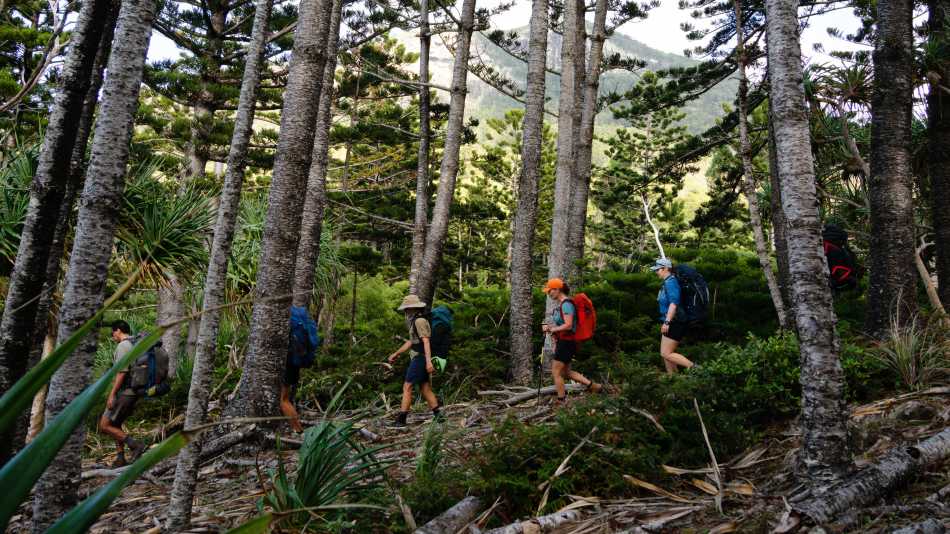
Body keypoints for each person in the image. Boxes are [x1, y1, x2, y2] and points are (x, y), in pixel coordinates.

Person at [540, 278, 601, 405]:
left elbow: (568, 325)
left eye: (550, 291)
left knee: (555, 372)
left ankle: (561, 400)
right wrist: (550, 327)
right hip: (567, 342)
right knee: (566, 372)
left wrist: (552, 329)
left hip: (566, 343)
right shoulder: (563, 304)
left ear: (557, 289)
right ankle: (594, 386)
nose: (549, 293)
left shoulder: (566, 304)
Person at [387, 294, 442, 427]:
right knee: (425, 388)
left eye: (407, 308)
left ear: (414, 308)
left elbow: (426, 341)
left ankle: (401, 420)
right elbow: (412, 342)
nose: (405, 311)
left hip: (421, 358)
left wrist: (428, 362)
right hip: (421, 357)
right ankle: (439, 418)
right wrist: (396, 353)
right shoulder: (416, 320)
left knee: (407, 386)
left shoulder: (419, 321)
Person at [98, 320, 146, 467]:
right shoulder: (134, 344)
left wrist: (112, 394)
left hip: (124, 393)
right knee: (116, 423)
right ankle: (120, 458)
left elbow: (122, 372)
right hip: (132, 391)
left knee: (104, 425)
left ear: (118, 330)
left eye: (112, 332)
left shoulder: (123, 346)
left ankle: (136, 445)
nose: (112, 335)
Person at [651, 258, 697, 375]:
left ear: (666, 268)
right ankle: (673, 379)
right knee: (666, 354)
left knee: (666, 353)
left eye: (658, 269)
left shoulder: (671, 282)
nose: (656, 272)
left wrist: (667, 322)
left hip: (675, 321)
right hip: (671, 320)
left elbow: (673, 303)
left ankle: (696, 368)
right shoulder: (668, 281)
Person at [281, 355, 304, 433]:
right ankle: (298, 428)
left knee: (284, 401)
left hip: (288, 368)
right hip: (295, 367)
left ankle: (297, 430)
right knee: (286, 400)